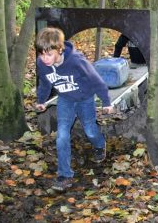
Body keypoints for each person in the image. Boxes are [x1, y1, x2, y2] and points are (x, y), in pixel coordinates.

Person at [35, 27, 114, 191]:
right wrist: (41, 100)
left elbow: (96, 81)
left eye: (49, 54)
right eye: (41, 54)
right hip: (65, 99)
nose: (44, 58)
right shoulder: (42, 64)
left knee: (90, 130)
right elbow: (45, 83)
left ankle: (100, 145)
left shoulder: (77, 61)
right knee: (61, 135)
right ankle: (65, 175)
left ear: (60, 49)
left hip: (85, 98)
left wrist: (106, 102)